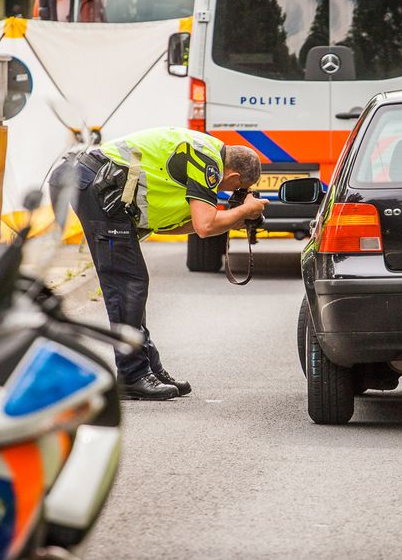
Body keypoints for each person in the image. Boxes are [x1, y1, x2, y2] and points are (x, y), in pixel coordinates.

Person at [51, 127, 267, 400]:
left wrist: (235, 218)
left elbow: (181, 227)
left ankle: (149, 368)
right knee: (128, 283)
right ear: (233, 175)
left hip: (98, 185)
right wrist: (245, 210)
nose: (229, 193)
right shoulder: (208, 162)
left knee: (132, 283)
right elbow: (205, 226)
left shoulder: (205, 153)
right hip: (98, 184)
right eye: (235, 188)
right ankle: (133, 375)